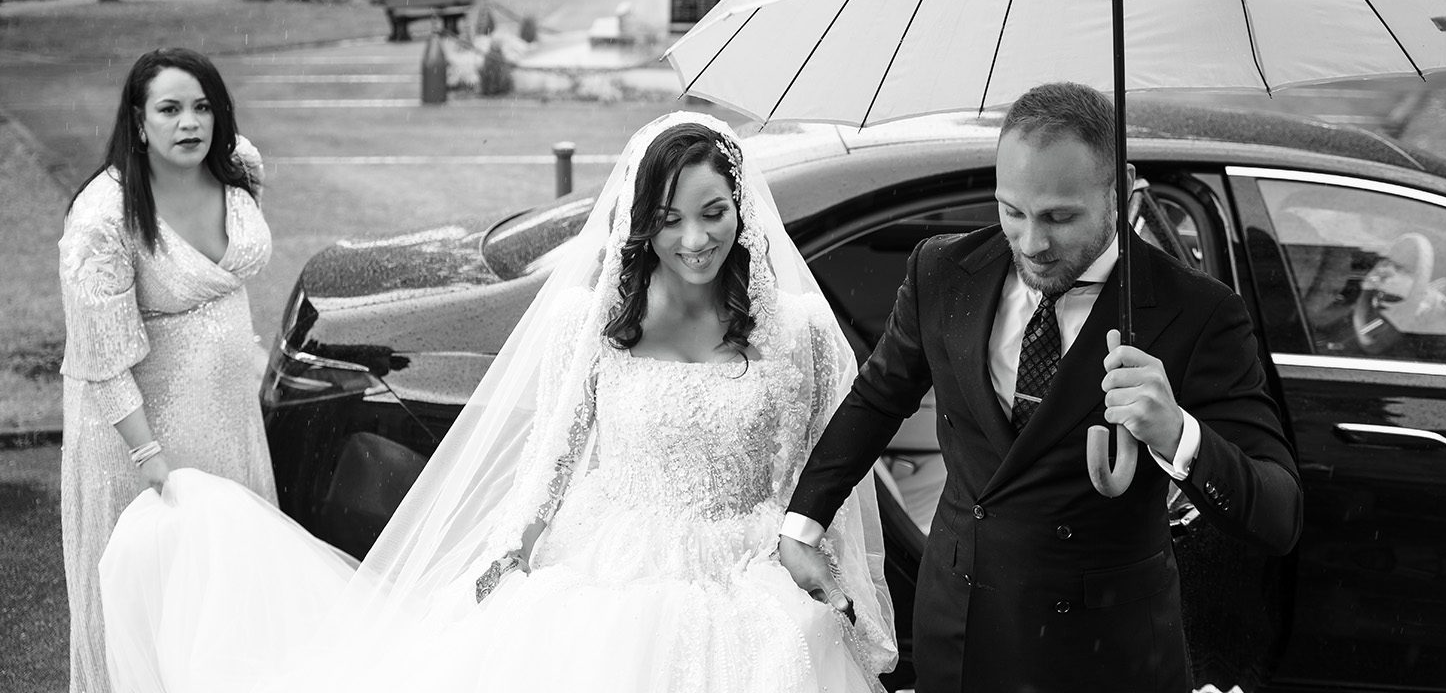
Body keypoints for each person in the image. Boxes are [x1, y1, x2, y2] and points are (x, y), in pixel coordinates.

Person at [99, 112, 897, 693]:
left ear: (742, 210)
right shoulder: (591, 327)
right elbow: (553, 452)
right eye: (669, 219)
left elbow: (833, 462)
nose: (695, 239)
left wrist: (823, 561)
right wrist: (512, 549)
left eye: (714, 213)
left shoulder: (799, 332)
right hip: (616, 572)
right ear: (638, 224)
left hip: (752, 584)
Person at [779, 81, 1303, 693]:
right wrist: (802, 525)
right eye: (1012, 212)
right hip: (960, 630)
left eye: (1059, 216)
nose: (1032, 243)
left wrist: (1178, 434)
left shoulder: (1199, 314)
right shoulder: (942, 271)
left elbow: (1278, 514)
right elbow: (877, 400)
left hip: (1107, 655)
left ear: (1121, 191)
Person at [58, 48, 275, 693]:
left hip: (229, 422)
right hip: (144, 439)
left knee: (229, 602)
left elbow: (230, 282)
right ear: (138, 117)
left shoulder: (238, 169)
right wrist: (149, 457)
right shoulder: (103, 218)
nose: (190, 123)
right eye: (170, 109)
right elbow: (100, 360)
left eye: (203, 107)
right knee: (156, 611)